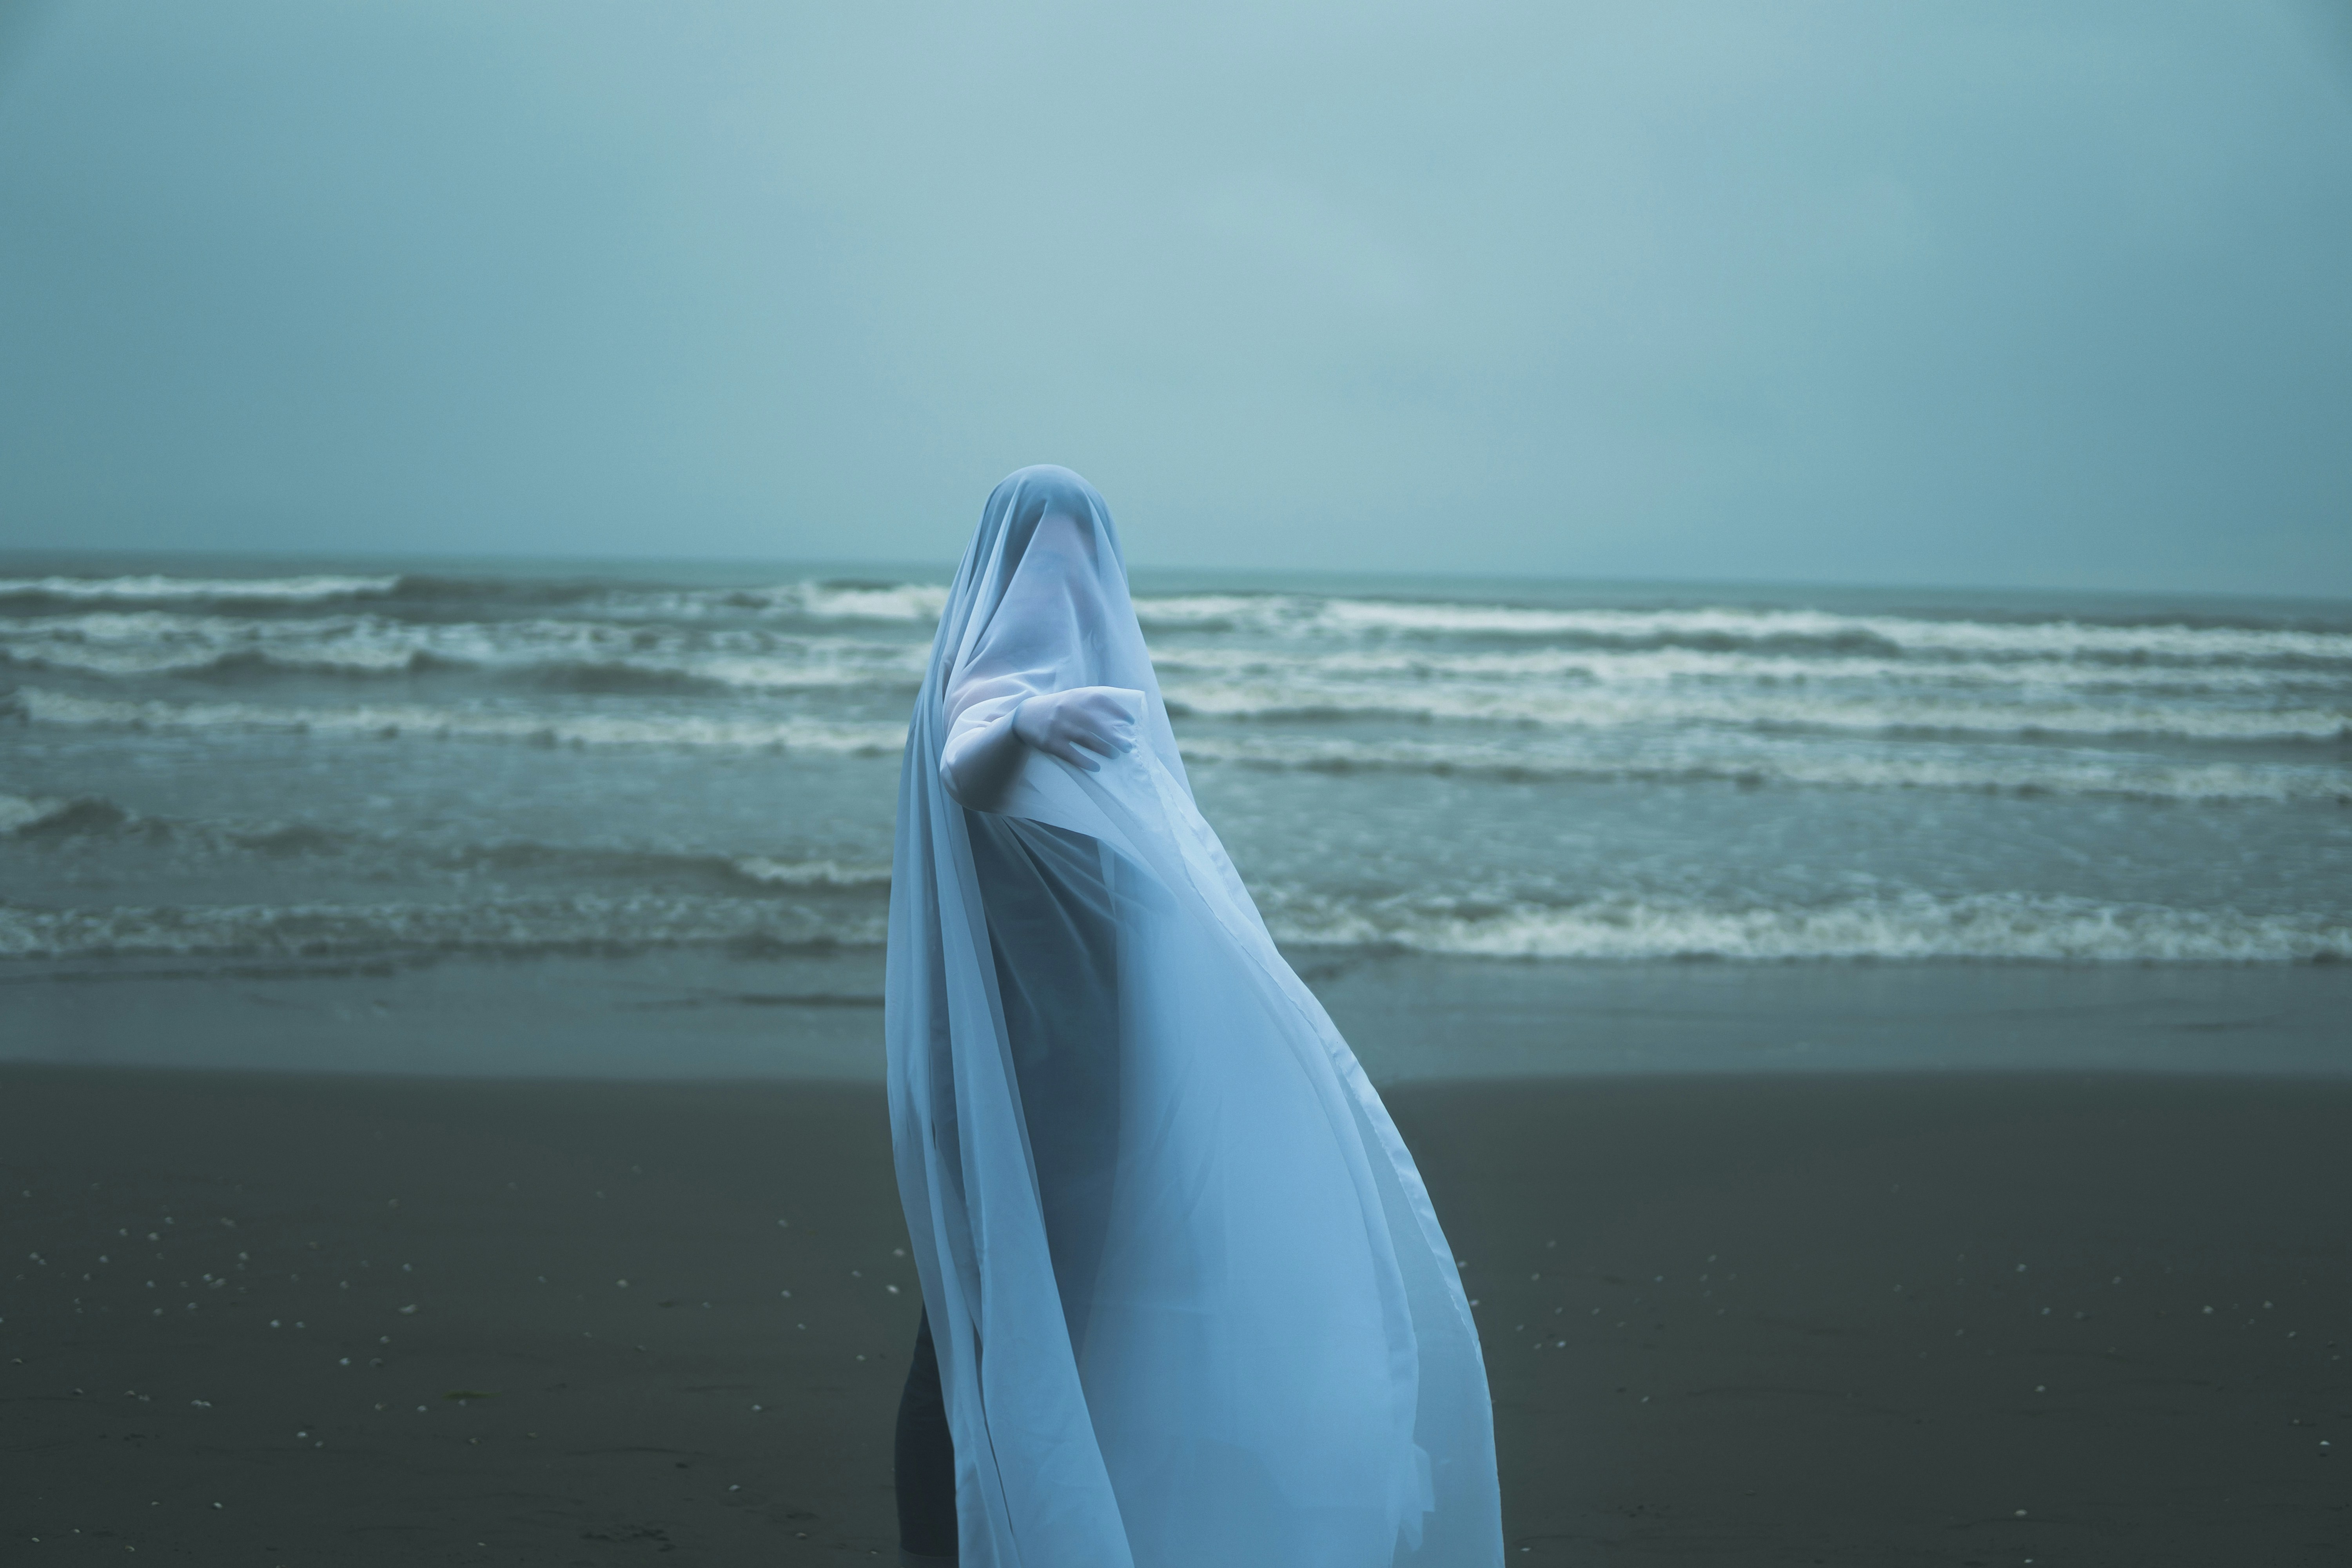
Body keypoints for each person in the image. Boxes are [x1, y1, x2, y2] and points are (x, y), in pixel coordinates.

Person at [884, 466, 1503, 1568]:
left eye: (1085, 552)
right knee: (989, 1330)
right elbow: (970, 757)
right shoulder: (998, 701)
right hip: (1027, 1083)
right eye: (1054, 551)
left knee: (1025, 1328)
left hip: (1076, 1078)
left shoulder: (1078, 722)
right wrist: (1027, 714)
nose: (1072, 577)